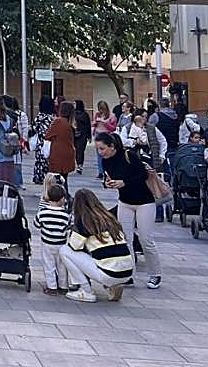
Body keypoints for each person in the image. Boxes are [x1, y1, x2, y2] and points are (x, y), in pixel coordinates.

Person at [94, 131, 162, 289]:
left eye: (102, 148)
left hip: (144, 202)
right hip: (124, 202)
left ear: (111, 146)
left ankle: (155, 274)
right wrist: (110, 183)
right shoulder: (106, 162)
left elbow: (143, 175)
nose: (100, 152)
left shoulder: (128, 155)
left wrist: (124, 182)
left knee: (146, 240)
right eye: (98, 149)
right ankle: (128, 274)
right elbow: (110, 178)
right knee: (125, 240)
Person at [60, 188, 133, 303]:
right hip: (127, 271)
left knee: (64, 251)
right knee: (99, 252)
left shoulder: (84, 222)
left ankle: (86, 291)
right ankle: (113, 285)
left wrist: (73, 229)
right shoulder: (109, 218)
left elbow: (74, 247)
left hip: (108, 273)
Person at [34, 182, 71, 295]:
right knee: (62, 265)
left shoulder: (43, 212)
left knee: (49, 265)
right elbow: (69, 226)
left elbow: (37, 224)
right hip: (61, 244)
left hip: (47, 243)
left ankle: (52, 287)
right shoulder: (65, 214)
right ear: (62, 199)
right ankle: (63, 286)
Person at [44, 101, 77, 183]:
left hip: (58, 153)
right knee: (64, 178)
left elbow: (48, 135)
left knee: (56, 178)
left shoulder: (58, 121)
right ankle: (65, 194)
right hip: (69, 152)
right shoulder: (71, 123)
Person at [30, 96, 56, 185]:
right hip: (52, 142)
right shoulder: (53, 117)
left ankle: (39, 176)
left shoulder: (40, 117)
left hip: (41, 142)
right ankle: (50, 178)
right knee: (49, 160)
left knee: (40, 160)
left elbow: (34, 128)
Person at [91, 101, 117, 179]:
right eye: (99, 109)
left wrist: (105, 123)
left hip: (106, 135)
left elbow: (113, 128)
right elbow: (93, 123)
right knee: (99, 154)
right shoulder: (97, 114)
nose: (101, 111)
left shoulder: (112, 116)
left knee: (107, 153)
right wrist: (95, 123)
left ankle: (108, 171)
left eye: (102, 109)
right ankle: (100, 172)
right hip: (98, 134)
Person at [72, 100, 91, 174]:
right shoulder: (72, 113)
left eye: (74, 103)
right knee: (75, 150)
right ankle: (76, 163)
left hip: (82, 135)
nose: (73, 105)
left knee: (80, 150)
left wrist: (89, 136)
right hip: (74, 134)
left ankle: (80, 165)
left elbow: (88, 125)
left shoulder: (84, 114)